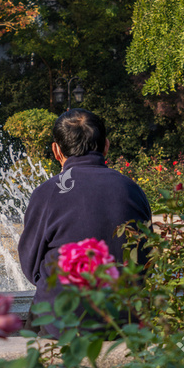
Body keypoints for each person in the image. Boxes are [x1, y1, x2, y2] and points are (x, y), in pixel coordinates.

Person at [18, 109, 152, 338]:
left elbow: (31, 268)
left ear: (56, 150)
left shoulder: (47, 192)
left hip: (62, 321)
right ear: (106, 146)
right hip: (123, 320)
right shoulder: (131, 189)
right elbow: (146, 258)